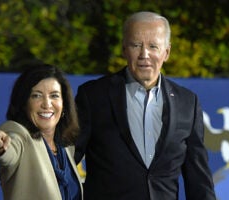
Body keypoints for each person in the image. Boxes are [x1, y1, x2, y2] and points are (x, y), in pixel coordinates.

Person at [74, 11, 216, 200]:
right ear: (124, 49)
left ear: (166, 52)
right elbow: (67, 159)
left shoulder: (187, 103)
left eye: (153, 46)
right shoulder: (93, 96)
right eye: (136, 45)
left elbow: (198, 177)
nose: (144, 54)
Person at [0, 64, 83, 200]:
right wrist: (1, 149)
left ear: (64, 104)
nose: (47, 104)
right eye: (36, 95)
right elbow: (10, 152)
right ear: (24, 103)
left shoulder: (66, 147)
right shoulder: (18, 134)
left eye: (54, 96)